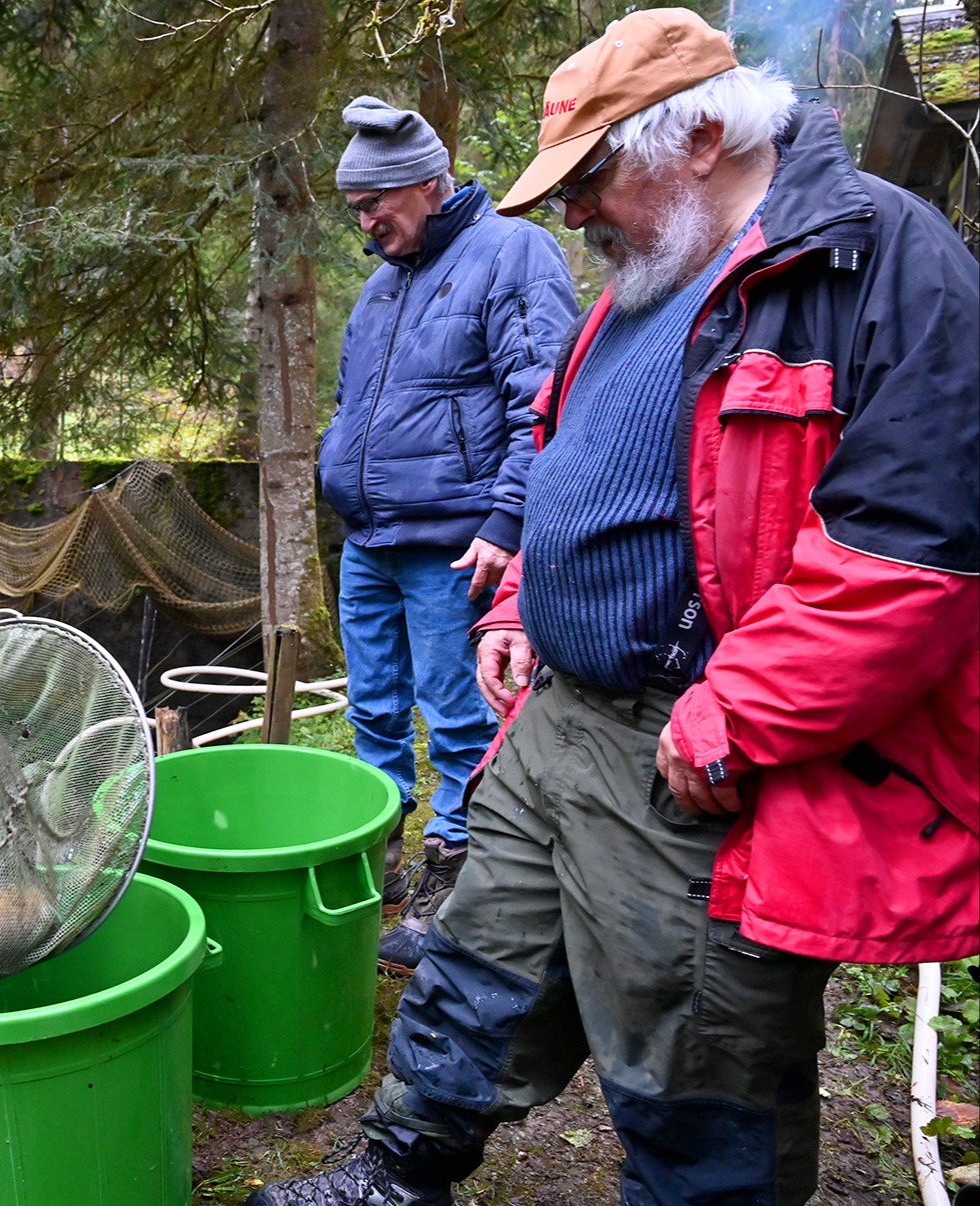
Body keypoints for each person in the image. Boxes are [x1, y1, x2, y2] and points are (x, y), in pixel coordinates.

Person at [253, 10, 978, 1204]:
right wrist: (523, 601)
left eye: (590, 176)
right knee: (474, 972)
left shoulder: (878, 263)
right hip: (558, 718)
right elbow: (575, 461)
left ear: (698, 136)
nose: (574, 210)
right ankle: (394, 1174)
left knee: (691, 1056)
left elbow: (911, 553)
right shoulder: (649, 270)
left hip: (695, 752)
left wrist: (735, 713)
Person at [318, 97, 576, 970]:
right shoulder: (383, 285)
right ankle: (377, 854)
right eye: (354, 208)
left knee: (459, 716)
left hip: (458, 541)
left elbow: (542, 401)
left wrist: (508, 519)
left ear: (428, 182)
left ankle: (454, 879)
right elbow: (357, 406)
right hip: (370, 538)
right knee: (373, 708)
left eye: (375, 203)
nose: (365, 222)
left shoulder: (510, 252)